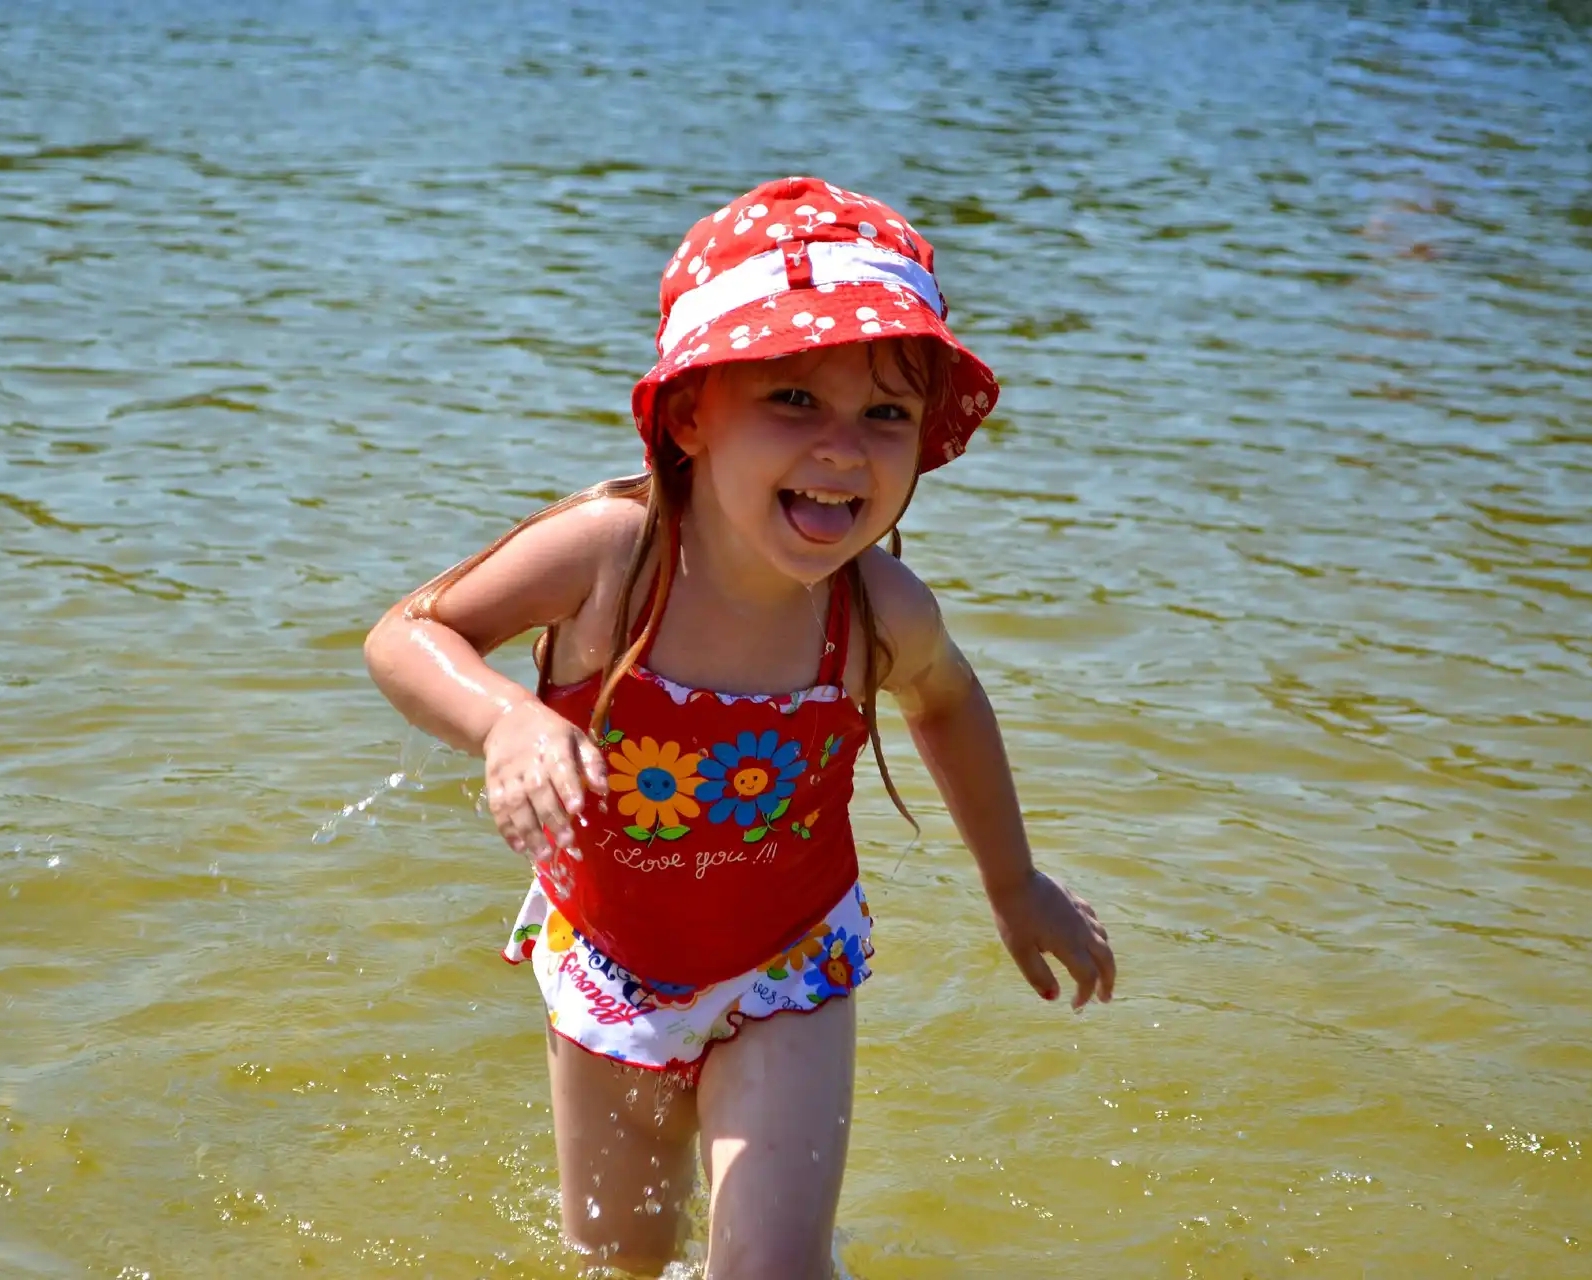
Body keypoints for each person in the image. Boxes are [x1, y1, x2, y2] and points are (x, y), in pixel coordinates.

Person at [364, 176, 1116, 1278]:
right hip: (612, 962)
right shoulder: (609, 559)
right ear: (689, 413)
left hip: (788, 963)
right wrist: (505, 721)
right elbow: (406, 632)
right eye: (794, 401)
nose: (844, 449)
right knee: (616, 1261)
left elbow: (948, 699)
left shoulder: (876, 611)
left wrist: (1015, 883)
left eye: (885, 414)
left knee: (769, 1266)